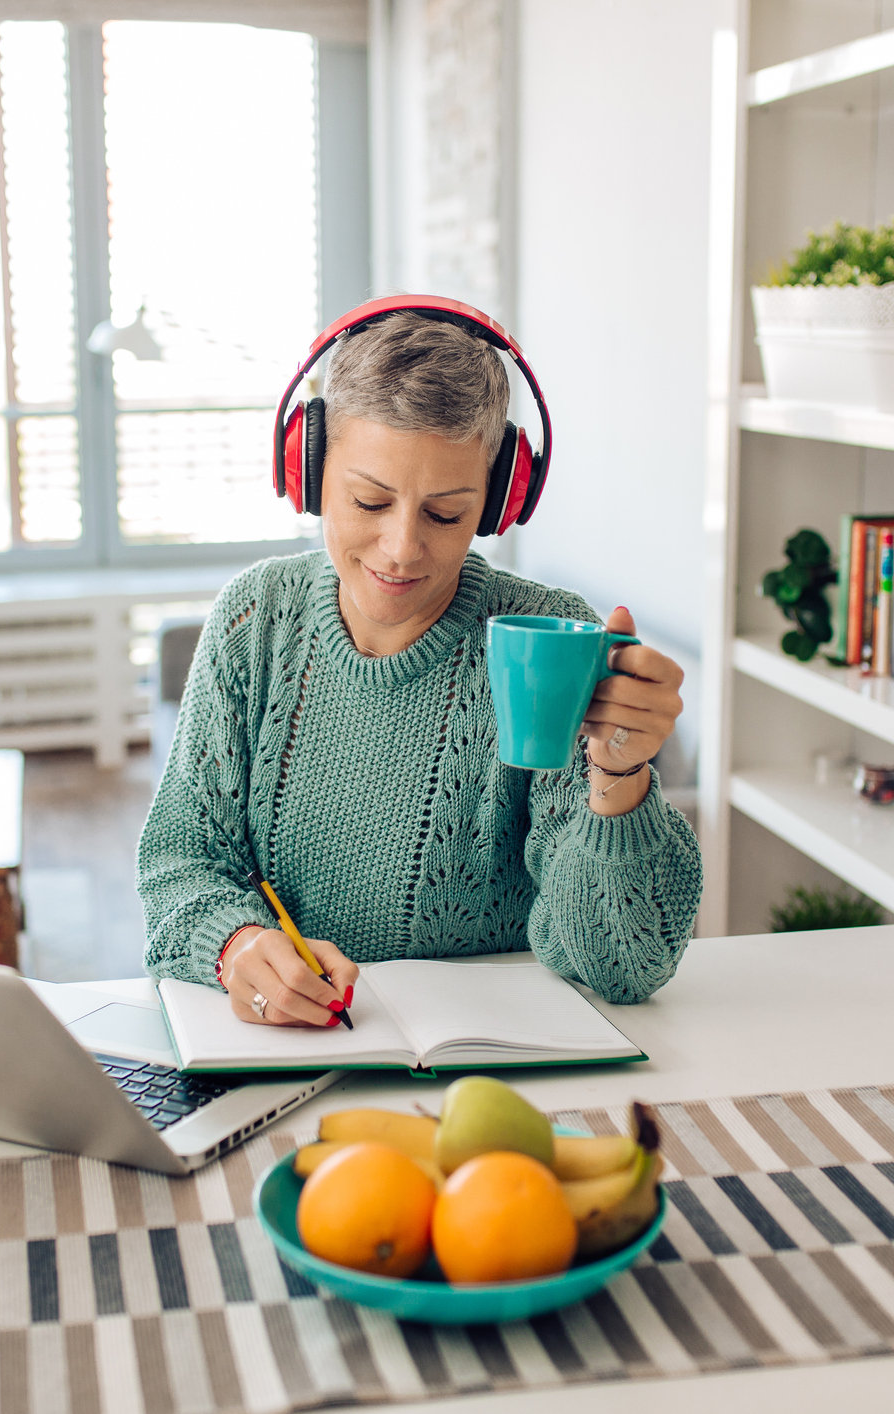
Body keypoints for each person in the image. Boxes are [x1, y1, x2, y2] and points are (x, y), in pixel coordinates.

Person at [137, 299, 701, 1026]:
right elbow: (178, 863)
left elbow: (624, 969)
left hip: (490, 1067)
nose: (401, 549)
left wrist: (620, 777)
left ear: (498, 500)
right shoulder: (254, 620)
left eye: (444, 514)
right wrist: (234, 943)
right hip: (290, 1051)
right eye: (369, 501)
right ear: (307, 471)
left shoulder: (546, 645)